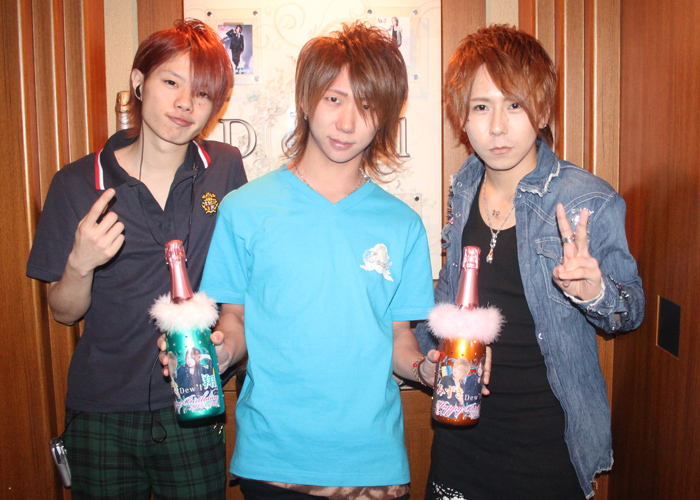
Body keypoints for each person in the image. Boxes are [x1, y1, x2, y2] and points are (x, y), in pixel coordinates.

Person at [191, 21, 435, 500]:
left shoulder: (402, 224)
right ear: (306, 99)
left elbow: (398, 339)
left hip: (372, 464)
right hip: (273, 461)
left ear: (386, 116)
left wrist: (427, 369)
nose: (347, 123)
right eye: (334, 99)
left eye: (367, 105)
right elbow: (235, 321)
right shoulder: (244, 209)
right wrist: (220, 352)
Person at [413, 24, 644, 500]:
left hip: (546, 452)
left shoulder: (585, 199)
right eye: (482, 107)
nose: (497, 126)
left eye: (514, 105)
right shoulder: (464, 186)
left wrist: (596, 293)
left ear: (541, 110)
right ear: (463, 117)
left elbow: (629, 311)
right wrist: (422, 357)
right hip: (460, 442)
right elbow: (451, 296)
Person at [26, 19, 247, 499]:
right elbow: (63, 312)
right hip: (100, 410)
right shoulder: (77, 182)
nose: (185, 103)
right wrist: (81, 263)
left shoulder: (225, 168)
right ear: (138, 81)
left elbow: (241, 284)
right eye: (171, 82)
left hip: (195, 403)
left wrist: (230, 347)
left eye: (203, 94)